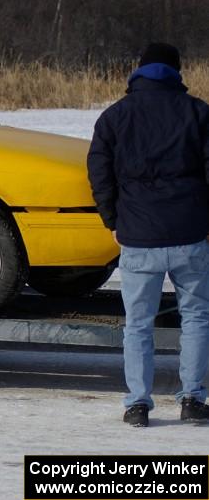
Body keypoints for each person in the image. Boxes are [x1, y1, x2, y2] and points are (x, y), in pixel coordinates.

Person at [88, 42, 209, 427]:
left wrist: (112, 219)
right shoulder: (198, 113)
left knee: (138, 324)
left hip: (138, 236)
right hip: (190, 233)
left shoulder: (115, 117)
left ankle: (137, 405)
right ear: (177, 72)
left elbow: (99, 173)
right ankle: (192, 399)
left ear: (138, 72)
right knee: (197, 318)